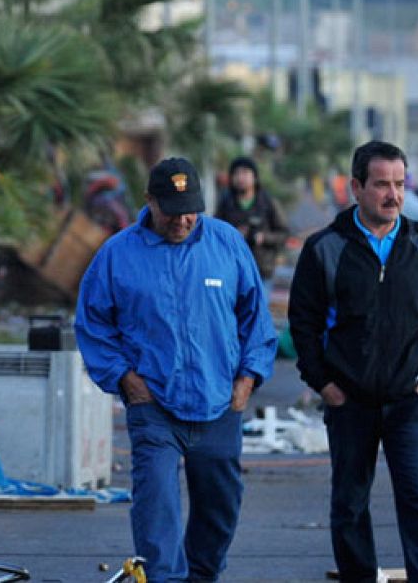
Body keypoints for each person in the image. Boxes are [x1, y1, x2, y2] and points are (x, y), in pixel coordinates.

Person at [76, 157, 278, 583]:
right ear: (149, 201)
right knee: (156, 505)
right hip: (154, 406)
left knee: (219, 505)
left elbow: (255, 317)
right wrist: (126, 380)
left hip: (219, 401)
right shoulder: (117, 255)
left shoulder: (226, 244)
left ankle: (202, 576)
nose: (183, 220)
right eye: (171, 210)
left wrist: (247, 379)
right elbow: (92, 324)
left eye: (191, 209)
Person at [288, 141, 418, 583]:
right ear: (356, 188)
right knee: (349, 503)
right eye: (382, 184)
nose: (394, 195)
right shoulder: (325, 249)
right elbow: (303, 323)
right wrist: (325, 384)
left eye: (400, 184)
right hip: (350, 402)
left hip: (411, 401)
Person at [214, 156, 291, 279]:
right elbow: (214, 233)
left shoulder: (268, 202)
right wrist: (234, 234)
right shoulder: (225, 203)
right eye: (236, 173)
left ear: (255, 177)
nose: (240, 178)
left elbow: (284, 233)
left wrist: (264, 237)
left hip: (262, 270)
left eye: (245, 173)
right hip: (232, 268)